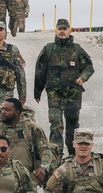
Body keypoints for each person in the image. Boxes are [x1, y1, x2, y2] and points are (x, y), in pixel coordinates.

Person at [34, 18, 94, 156]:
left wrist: (82, 78)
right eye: (59, 29)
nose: (62, 31)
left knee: (72, 125)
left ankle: (74, 156)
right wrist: (38, 92)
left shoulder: (77, 50)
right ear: (56, 31)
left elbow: (89, 67)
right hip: (54, 93)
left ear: (69, 31)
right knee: (56, 124)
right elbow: (40, 71)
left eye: (64, 29)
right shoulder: (48, 49)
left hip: (73, 94)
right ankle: (56, 156)